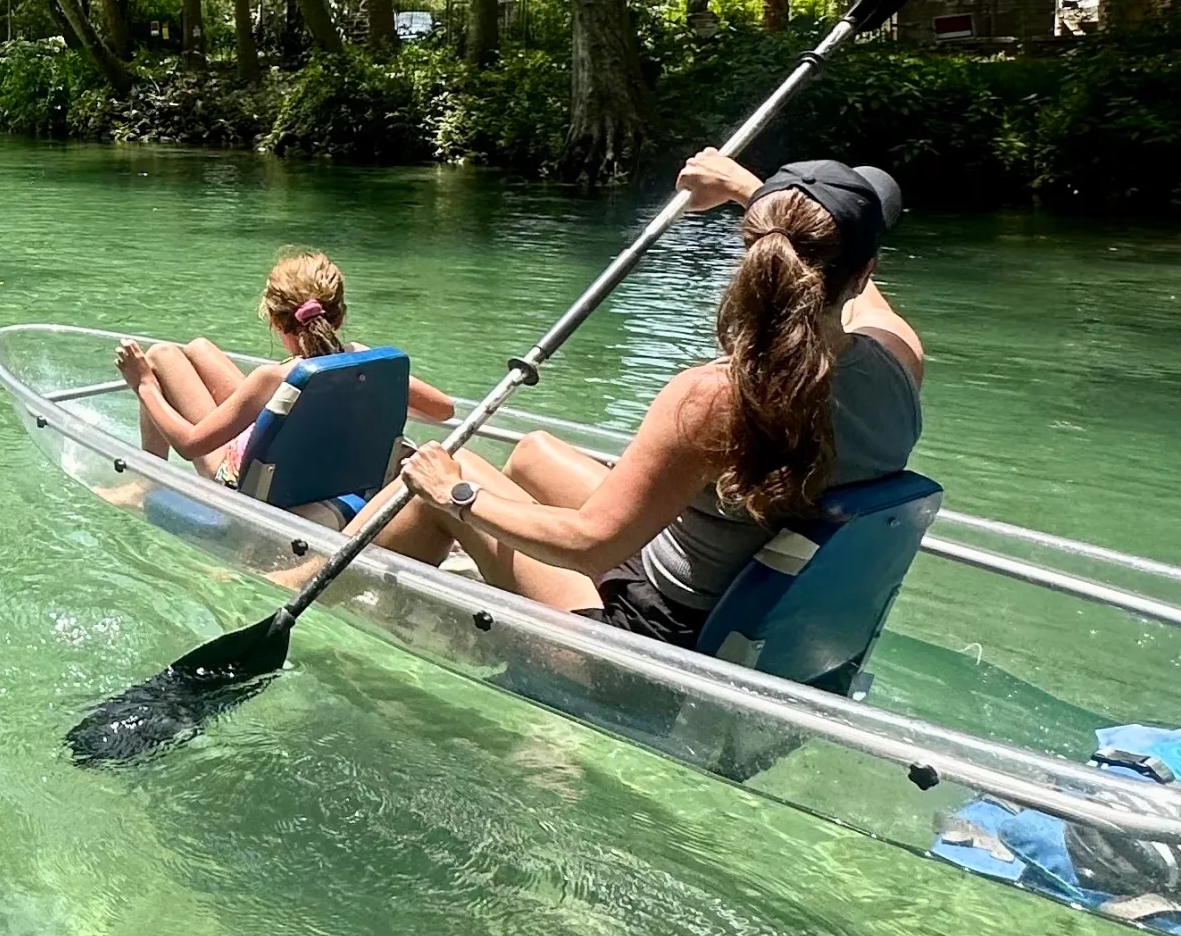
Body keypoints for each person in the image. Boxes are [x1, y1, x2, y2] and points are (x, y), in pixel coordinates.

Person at [378, 152, 924, 646]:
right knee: (533, 451)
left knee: (444, 472)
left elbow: (589, 547)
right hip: (735, 591)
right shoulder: (898, 363)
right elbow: (861, 294)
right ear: (864, 272)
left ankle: (300, 586)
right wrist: (746, 188)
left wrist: (457, 495)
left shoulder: (716, 395)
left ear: (751, 250)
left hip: (653, 634)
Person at [115, 250, 456, 524]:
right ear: (339, 315)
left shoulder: (274, 379)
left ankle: (147, 480)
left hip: (246, 479)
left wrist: (144, 384)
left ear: (276, 321)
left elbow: (189, 446)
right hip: (320, 464)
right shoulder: (367, 360)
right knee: (199, 347)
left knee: (160, 356)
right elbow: (444, 409)